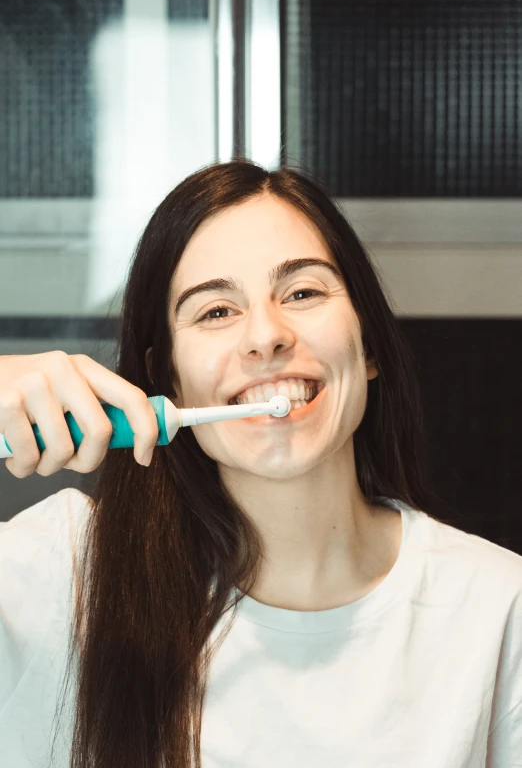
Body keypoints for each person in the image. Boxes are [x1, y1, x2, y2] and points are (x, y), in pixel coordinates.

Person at [0, 160, 520, 768]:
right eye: (216, 311)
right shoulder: (52, 574)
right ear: (168, 377)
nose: (265, 336)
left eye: (302, 293)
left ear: (368, 345)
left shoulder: (496, 608)